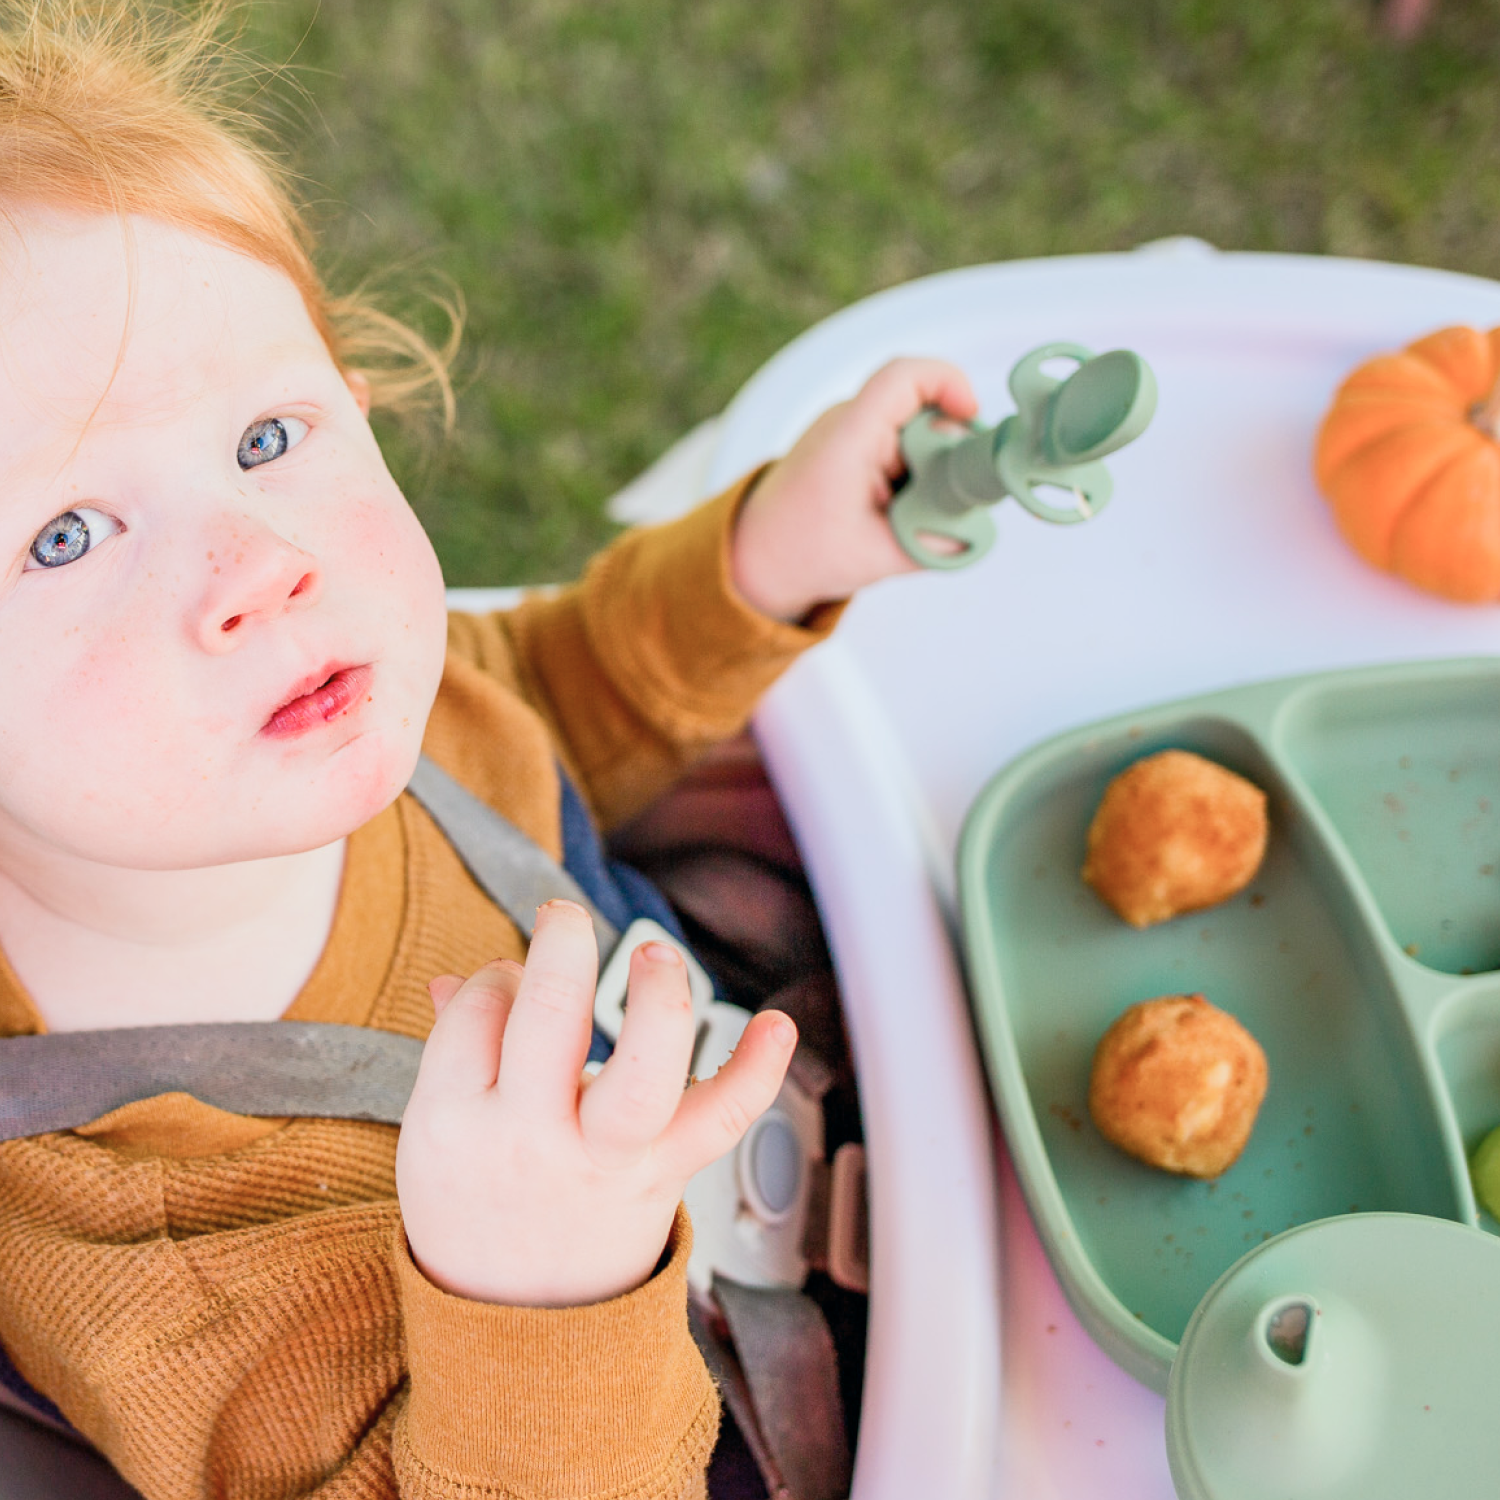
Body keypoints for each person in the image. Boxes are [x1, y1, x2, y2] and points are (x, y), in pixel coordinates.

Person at [0, 4, 977, 1497]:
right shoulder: (164, 1251)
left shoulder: (321, 697)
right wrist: (531, 1295)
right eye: (65, 536)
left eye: (266, 439)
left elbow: (539, 701)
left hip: (885, 1127)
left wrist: (765, 559)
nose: (260, 563)